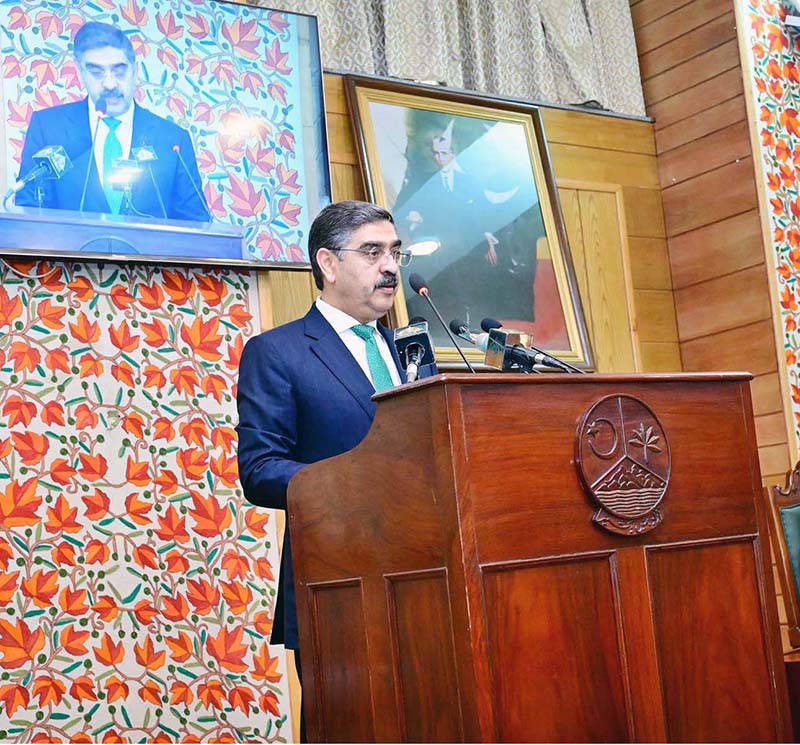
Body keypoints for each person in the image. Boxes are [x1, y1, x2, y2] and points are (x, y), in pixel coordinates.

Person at [235, 201, 436, 718]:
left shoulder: (411, 352)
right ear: (326, 263)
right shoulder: (278, 352)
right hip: (339, 586)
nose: (391, 266)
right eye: (372, 252)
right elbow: (260, 471)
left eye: (395, 252)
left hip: (431, 580)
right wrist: (360, 484)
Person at [15, 21, 209, 222]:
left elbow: (196, 221)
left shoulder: (172, 139)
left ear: (135, 69)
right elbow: (29, 211)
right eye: (96, 72)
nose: (109, 83)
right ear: (79, 71)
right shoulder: (48, 127)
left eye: (119, 70)